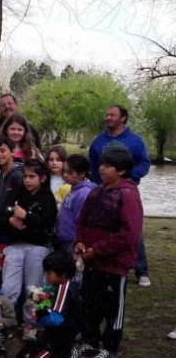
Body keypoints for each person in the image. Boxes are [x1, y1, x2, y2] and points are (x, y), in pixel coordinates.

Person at [72, 148, 143, 358]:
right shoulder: (96, 191)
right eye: (101, 164)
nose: (101, 168)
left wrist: (99, 250)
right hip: (91, 263)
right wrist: (80, 242)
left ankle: (110, 347)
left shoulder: (128, 195)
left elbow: (129, 234)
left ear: (121, 170)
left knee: (113, 310)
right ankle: (89, 341)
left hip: (115, 265)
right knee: (89, 305)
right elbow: (82, 221)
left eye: (107, 165)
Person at [87, 105, 152, 288]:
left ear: (123, 118)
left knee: (131, 229)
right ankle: (102, 265)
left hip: (125, 191)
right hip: (102, 190)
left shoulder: (135, 141)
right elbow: (92, 164)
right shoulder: (98, 141)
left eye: (112, 115)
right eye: (106, 114)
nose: (108, 117)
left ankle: (142, 271)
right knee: (102, 228)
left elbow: (144, 164)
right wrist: (97, 181)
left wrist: (125, 178)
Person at [0, 158, 57, 335]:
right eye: (25, 176)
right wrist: (11, 220)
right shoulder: (17, 194)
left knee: (34, 288)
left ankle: (31, 325)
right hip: (15, 245)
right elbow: (2, 215)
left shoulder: (47, 198)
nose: (27, 180)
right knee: (9, 287)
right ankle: (4, 322)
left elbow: (48, 224)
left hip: (37, 247)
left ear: (42, 178)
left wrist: (27, 216)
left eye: (32, 176)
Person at [17, 250, 80, 358]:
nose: (46, 276)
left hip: (60, 343)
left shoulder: (64, 288)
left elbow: (56, 319)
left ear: (63, 274)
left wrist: (39, 310)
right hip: (53, 338)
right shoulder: (56, 287)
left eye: (49, 272)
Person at [0, 138, 23, 269]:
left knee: (5, 268)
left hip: (9, 233)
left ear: (13, 152)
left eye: (3, 151)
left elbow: (22, 203)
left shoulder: (18, 176)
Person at [0, 114, 42, 188]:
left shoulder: (32, 151)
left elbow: (41, 171)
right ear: (6, 130)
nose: (16, 132)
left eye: (19, 130)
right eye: (12, 129)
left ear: (25, 131)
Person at [56, 154, 95, 254]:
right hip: (65, 239)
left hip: (73, 241)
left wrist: (79, 240)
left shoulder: (83, 193)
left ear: (81, 174)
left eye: (69, 172)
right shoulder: (73, 189)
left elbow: (81, 220)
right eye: (64, 171)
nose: (65, 175)